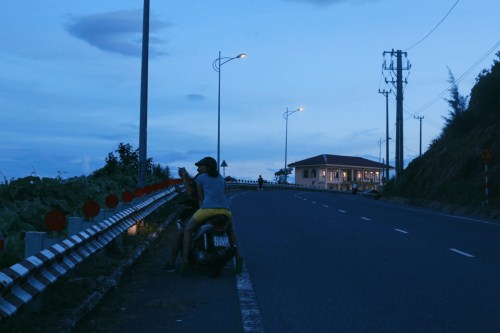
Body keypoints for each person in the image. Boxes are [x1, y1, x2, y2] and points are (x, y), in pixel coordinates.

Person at [181, 156, 242, 276]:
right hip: (225, 211)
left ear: (207, 166)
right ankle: (238, 257)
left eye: (200, 166)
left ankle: (185, 260)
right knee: (231, 230)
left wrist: (201, 209)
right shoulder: (221, 178)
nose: (198, 168)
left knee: (188, 229)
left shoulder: (200, 178)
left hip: (207, 210)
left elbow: (200, 198)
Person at [163, 168, 198, 272]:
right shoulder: (216, 179)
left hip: (200, 210)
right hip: (219, 210)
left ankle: (173, 262)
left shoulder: (200, 179)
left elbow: (191, 193)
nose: (198, 168)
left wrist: (185, 178)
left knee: (183, 232)